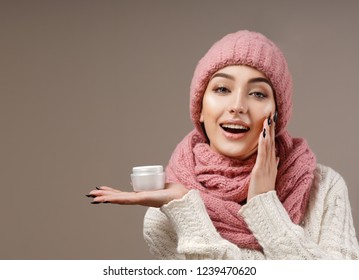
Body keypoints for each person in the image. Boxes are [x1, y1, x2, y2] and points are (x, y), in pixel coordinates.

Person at [87, 30, 359, 259]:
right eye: (222, 89)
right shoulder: (168, 218)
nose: (238, 106)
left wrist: (265, 204)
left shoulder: (324, 187)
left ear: (278, 114)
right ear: (200, 109)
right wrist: (186, 211)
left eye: (257, 93)